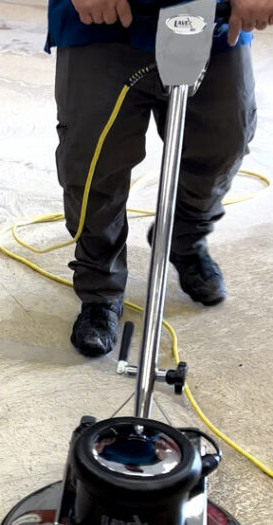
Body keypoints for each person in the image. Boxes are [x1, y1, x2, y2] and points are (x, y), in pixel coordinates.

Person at [47, 0, 273, 356]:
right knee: (91, 159)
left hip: (211, 18)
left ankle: (186, 236)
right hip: (103, 19)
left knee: (226, 136)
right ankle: (99, 287)